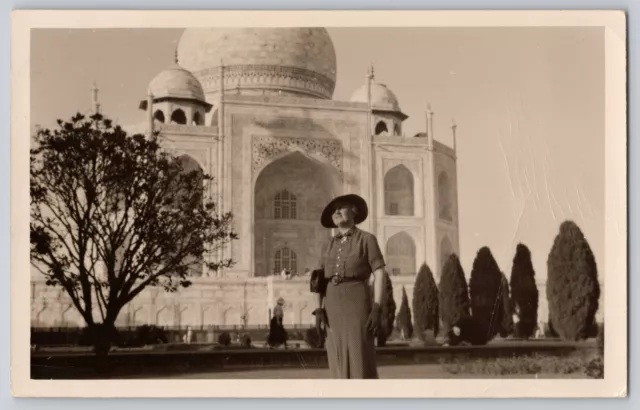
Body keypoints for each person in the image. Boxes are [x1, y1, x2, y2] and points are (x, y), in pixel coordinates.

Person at [312, 194, 386, 379]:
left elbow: (379, 272)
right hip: (332, 304)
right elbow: (317, 281)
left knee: (359, 351)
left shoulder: (367, 239)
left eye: (341, 207)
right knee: (335, 352)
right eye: (333, 211)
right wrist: (318, 309)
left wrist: (377, 307)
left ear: (354, 211)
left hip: (357, 299)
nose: (336, 212)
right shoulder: (327, 245)